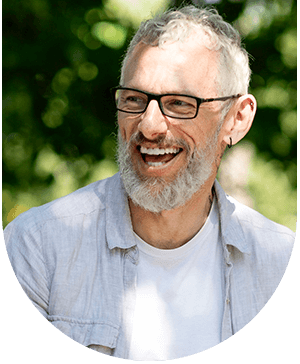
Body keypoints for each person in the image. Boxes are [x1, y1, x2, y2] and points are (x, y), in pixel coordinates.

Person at [4, 5, 294, 360]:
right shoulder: (38, 249)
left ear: (236, 119)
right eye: (134, 100)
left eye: (179, 103)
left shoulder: (278, 263)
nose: (149, 126)